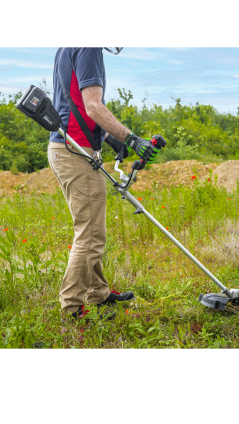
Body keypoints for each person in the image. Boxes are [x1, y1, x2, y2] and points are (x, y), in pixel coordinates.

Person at [48, 47, 161, 319]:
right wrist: (131, 139)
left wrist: (109, 139)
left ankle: (97, 293)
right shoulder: (88, 48)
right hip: (75, 151)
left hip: (71, 146)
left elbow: (71, 103)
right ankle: (72, 307)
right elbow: (93, 105)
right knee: (90, 235)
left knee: (92, 228)